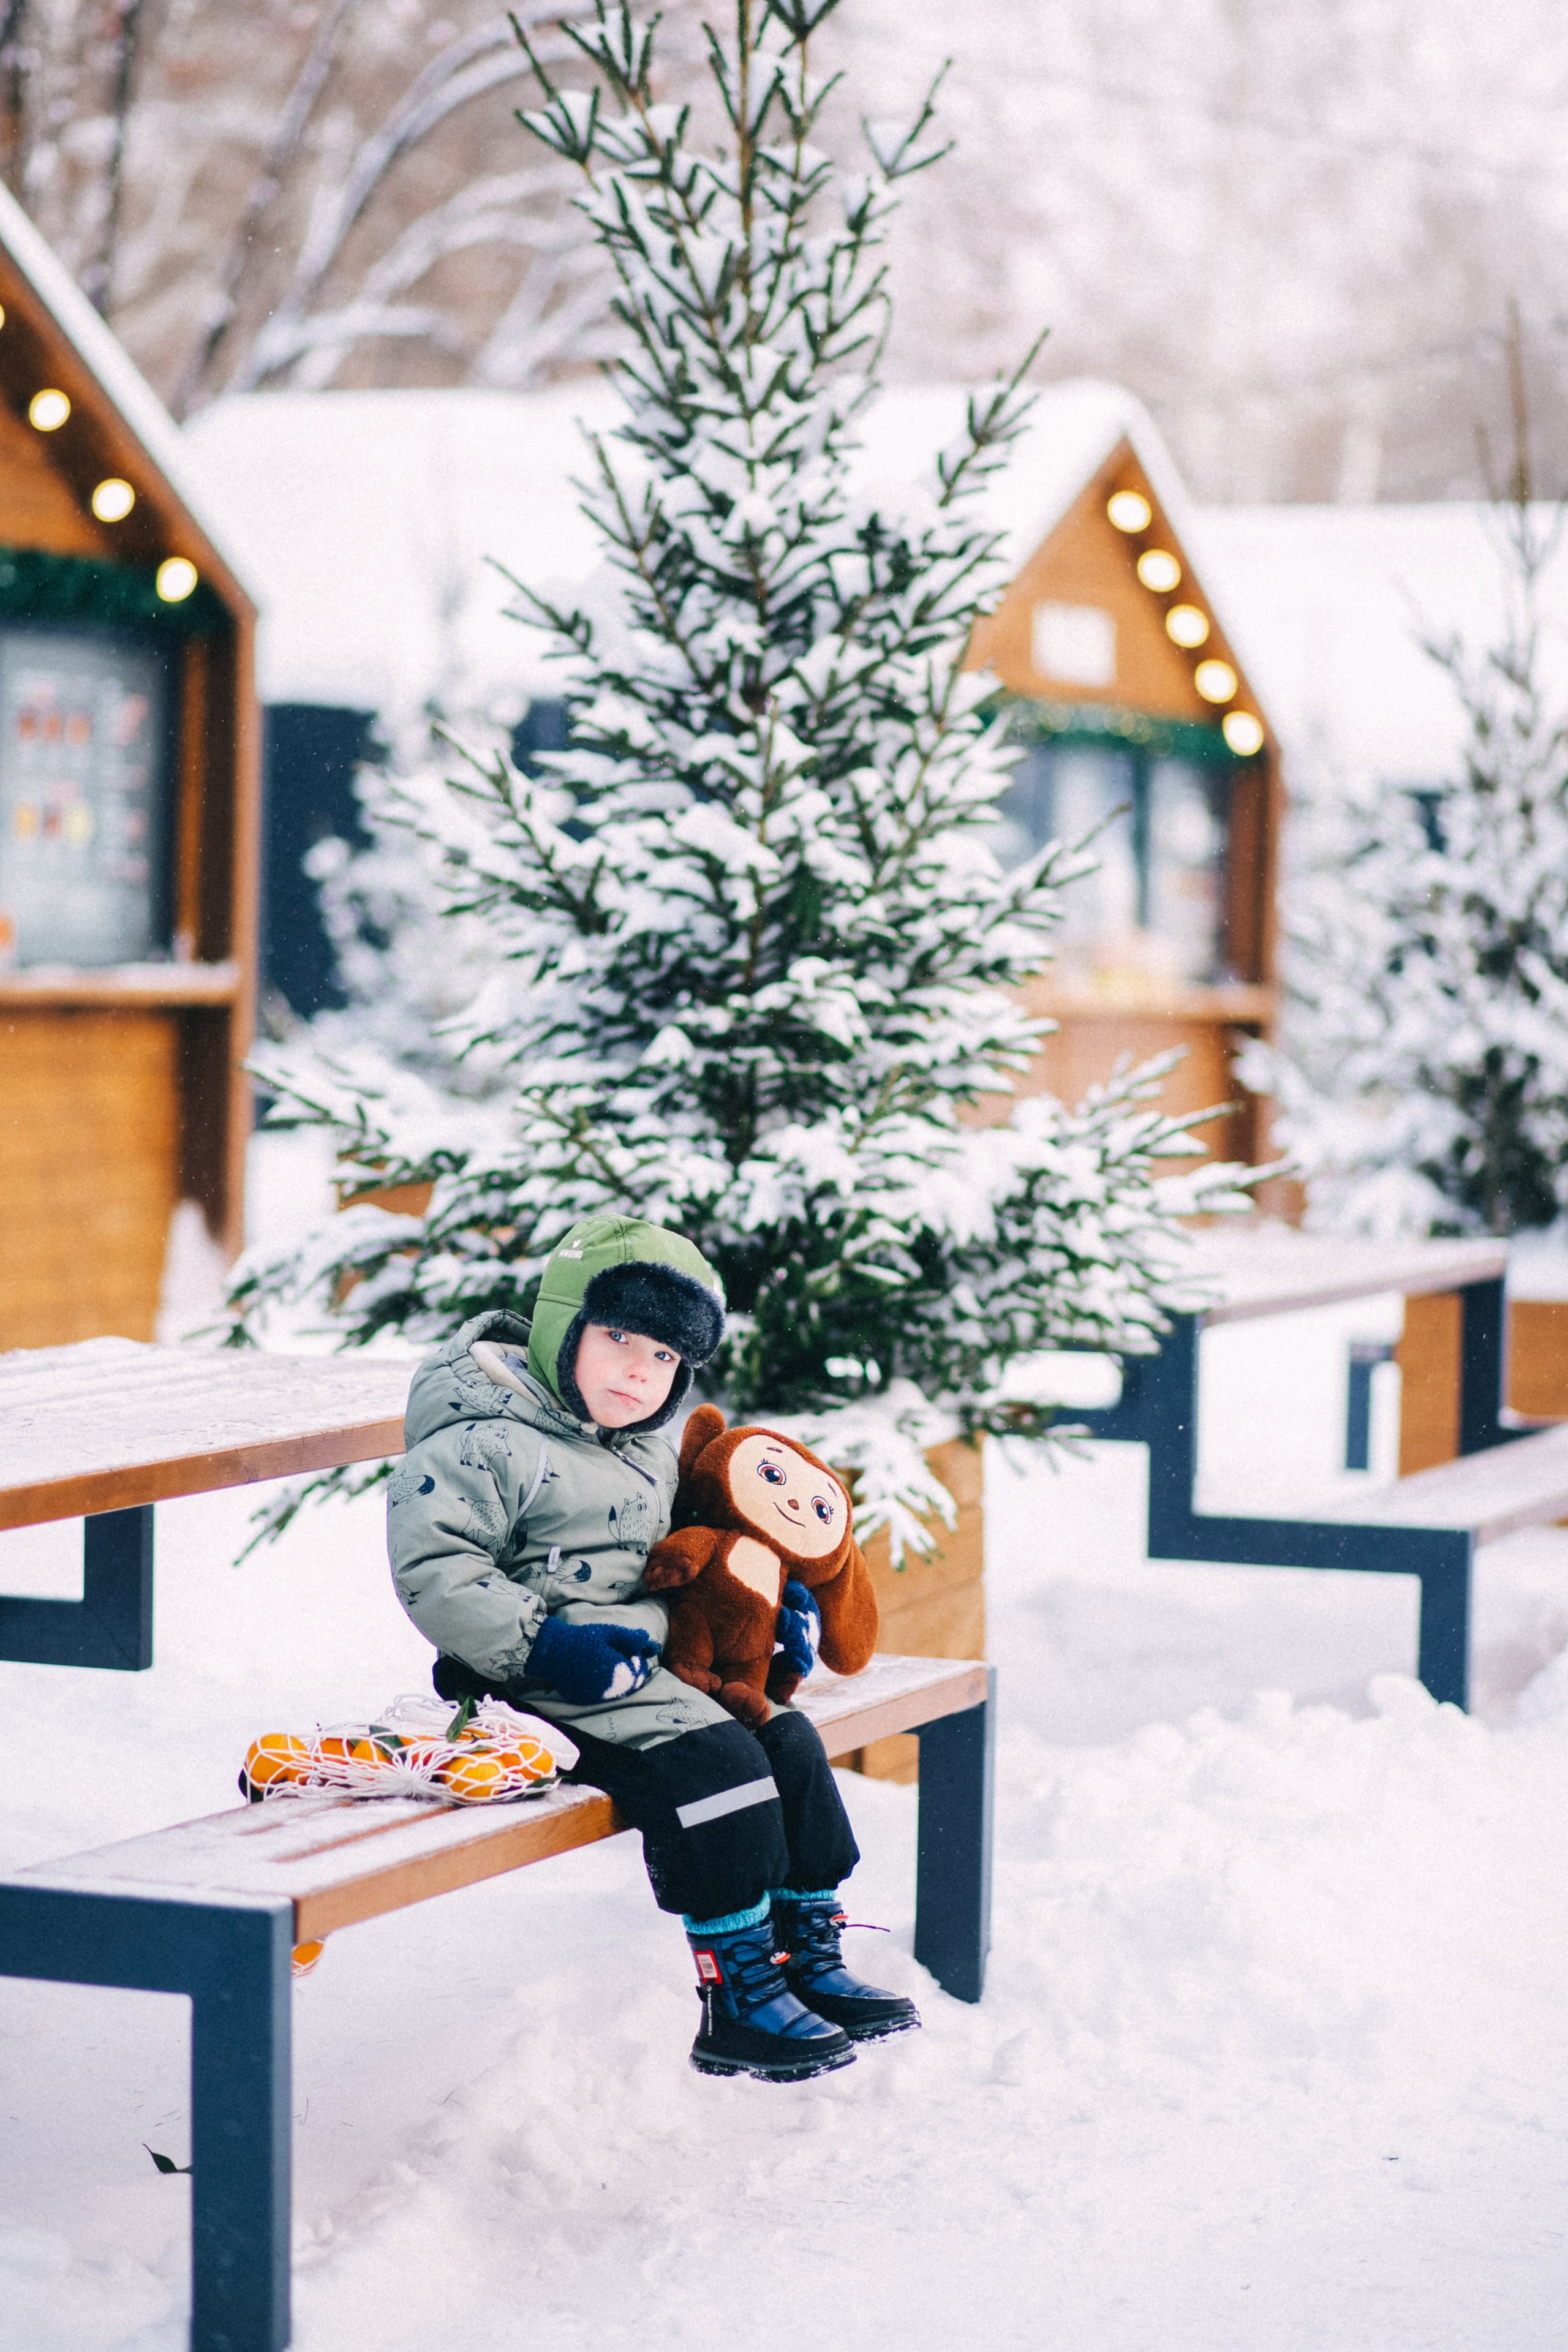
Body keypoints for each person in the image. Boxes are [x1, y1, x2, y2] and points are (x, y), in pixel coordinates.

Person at [386, 1210, 919, 2081]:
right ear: (566, 1328)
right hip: (536, 1683)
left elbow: (694, 1543)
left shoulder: (645, 1451)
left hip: (650, 1663)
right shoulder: (482, 1439)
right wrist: (544, 1647)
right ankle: (737, 1993)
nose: (641, 1372)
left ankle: (802, 1954)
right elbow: (438, 1570)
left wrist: (761, 1606)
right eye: (621, 1337)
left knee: (785, 1739)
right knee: (715, 1764)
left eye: (667, 1358)